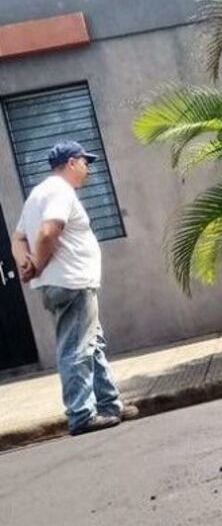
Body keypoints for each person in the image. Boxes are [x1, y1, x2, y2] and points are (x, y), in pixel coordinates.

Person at [11, 141, 137, 436]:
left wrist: (26, 264)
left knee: (92, 345)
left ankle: (109, 404)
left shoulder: (36, 195)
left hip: (62, 284)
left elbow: (18, 239)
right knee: (77, 349)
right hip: (71, 282)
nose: (87, 168)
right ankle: (81, 414)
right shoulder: (59, 191)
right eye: (85, 162)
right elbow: (48, 231)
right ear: (70, 162)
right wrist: (37, 265)